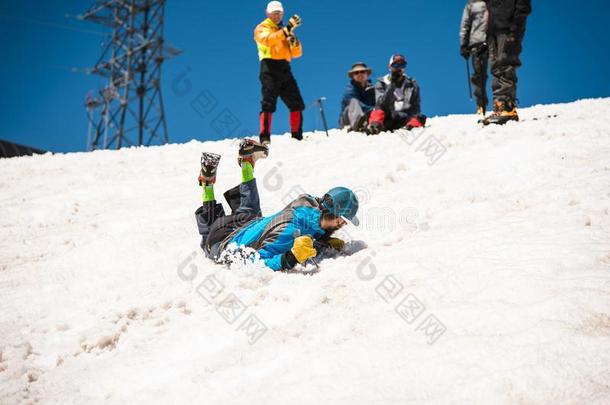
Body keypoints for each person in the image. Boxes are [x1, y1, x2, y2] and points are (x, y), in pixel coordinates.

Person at [195, 139, 360, 271]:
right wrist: (291, 257)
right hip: (222, 240)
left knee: (252, 212)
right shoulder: (290, 229)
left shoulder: (307, 205)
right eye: (343, 219)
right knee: (208, 241)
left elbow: (311, 228)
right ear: (335, 216)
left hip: (246, 224)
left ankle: (246, 163)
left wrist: (324, 243)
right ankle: (207, 185)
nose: (343, 223)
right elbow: (257, 261)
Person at [254, 1, 305, 143]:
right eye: (274, 13)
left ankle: (297, 136)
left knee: (296, 103)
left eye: (279, 13)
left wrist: (294, 41)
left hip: (285, 68)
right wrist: (287, 29)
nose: (277, 16)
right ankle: (264, 137)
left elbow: (297, 53)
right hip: (269, 67)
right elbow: (268, 40)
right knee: (268, 102)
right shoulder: (262, 27)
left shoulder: (285, 30)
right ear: (268, 13)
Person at [481, 0, 532, 125]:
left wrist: (515, 29)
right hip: (491, 32)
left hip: (508, 30)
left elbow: (523, 7)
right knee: (495, 68)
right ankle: (499, 107)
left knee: (505, 64)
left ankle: (507, 108)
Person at [367, 54, 426, 135]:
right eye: (395, 65)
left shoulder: (412, 84)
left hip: (403, 118)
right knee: (378, 110)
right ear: (389, 66)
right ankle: (375, 127)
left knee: (419, 117)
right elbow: (381, 103)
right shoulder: (381, 82)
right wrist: (393, 85)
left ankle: (410, 127)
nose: (399, 68)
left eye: (402, 65)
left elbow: (415, 107)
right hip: (387, 118)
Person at [460, 0, 489, 115]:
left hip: (493, 40)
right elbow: (465, 24)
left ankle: (502, 102)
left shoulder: (494, 3)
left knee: (498, 70)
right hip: (477, 43)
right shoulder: (471, 5)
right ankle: (481, 105)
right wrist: (464, 44)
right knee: (479, 75)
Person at [339, 62, 375, 132]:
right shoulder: (350, 89)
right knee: (354, 102)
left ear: (367, 74)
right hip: (348, 119)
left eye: (362, 71)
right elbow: (358, 105)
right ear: (352, 76)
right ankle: (358, 125)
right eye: (356, 73)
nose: (360, 74)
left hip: (368, 117)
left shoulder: (373, 90)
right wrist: (373, 110)